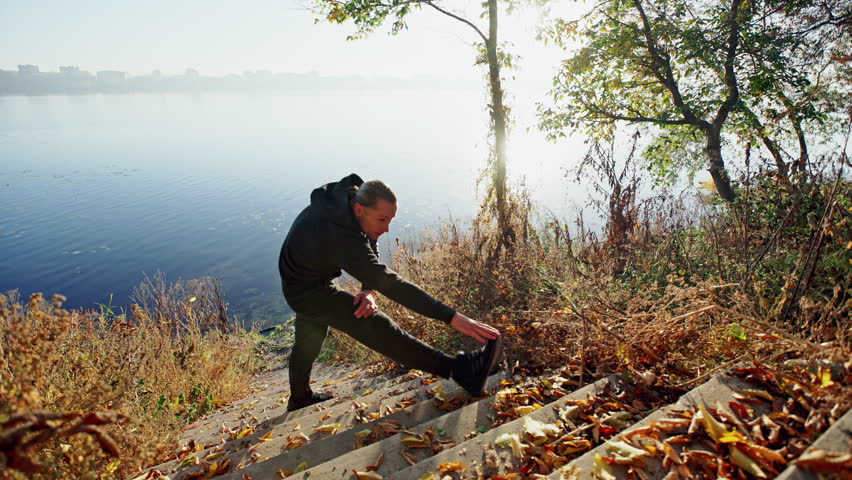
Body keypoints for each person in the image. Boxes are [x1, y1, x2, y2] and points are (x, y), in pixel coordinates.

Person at [278, 173, 502, 411]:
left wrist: (367, 288)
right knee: (371, 323)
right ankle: (461, 371)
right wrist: (452, 317)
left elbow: (369, 240)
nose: (386, 229)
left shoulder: (350, 200)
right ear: (358, 210)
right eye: (382, 220)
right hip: (305, 289)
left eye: (390, 220)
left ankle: (299, 398)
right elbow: (392, 284)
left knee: (308, 340)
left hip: (308, 275)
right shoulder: (337, 233)